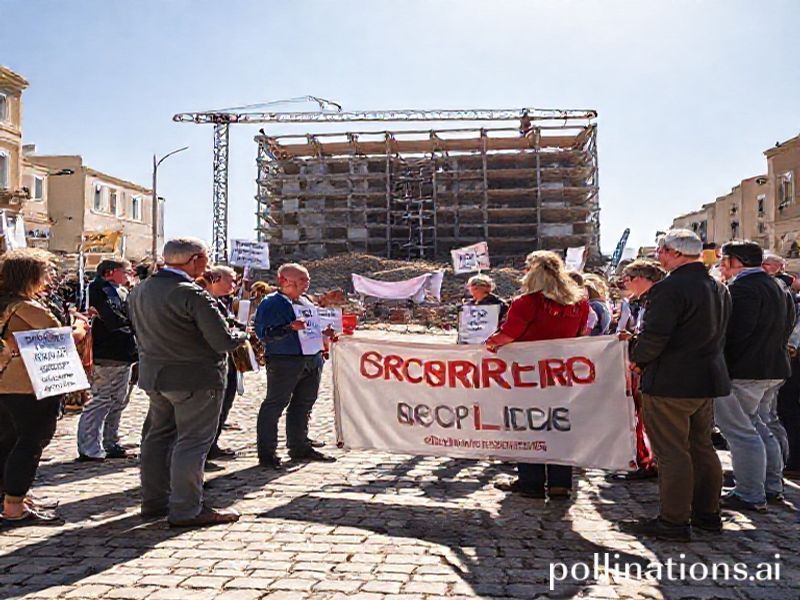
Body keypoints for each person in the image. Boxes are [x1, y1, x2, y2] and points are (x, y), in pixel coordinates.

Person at [128, 238, 247, 528]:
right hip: (195, 377)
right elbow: (221, 341)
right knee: (192, 442)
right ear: (194, 260)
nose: (207, 265)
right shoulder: (192, 294)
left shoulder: (140, 289)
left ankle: (154, 501)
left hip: (155, 375)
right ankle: (186, 508)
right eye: (205, 259)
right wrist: (242, 335)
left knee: (156, 439)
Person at [621, 229, 730, 542]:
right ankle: (708, 514)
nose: (659, 255)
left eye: (662, 250)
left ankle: (674, 520)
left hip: (672, 381)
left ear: (675, 253)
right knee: (701, 447)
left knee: (671, 452)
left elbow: (656, 336)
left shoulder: (670, 288)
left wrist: (637, 359)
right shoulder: (716, 285)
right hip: (705, 377)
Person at [486, 250, 589, 500]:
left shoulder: (527, 303)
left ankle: (531, 482)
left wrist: (489, 344)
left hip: (528, 376)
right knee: (559, 425)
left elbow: (509, 335)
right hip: (561, 375)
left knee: (528, 425)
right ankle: (560, 483)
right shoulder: (579, 304)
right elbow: (581, 336)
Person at [0, 249, 85, 526]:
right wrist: (81, 327)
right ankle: (14, 507)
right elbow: (60, 335)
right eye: (44, 272)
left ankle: (13, 498)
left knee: (9, 442)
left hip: (7, 384)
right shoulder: (25, 306)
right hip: (27, 384)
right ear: (29, 276)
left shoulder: (7, 301)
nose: (48, 278)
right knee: (31, 441)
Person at [713, 241, 794, 512]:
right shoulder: (776, 286)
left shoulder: (744, 288)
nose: (721, 265)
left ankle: (750, 492)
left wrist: (726, 366)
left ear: (736, 260)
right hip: (772, 367)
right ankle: (770, 485)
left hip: (747, 371)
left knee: (741, 431)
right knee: (759, 426)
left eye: (724, 259)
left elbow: (737, 333)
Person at [255, 263, 335, 469]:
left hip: (311, 358)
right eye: (300, 281)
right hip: (285, 359)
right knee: (275, 404)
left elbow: (312, 326)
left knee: (304, 403)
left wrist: (324, 335)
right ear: (283, 281)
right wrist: (289, 328)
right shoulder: (272, 303)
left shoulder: (306, 301)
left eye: (306, 280)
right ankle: (267, 453)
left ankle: (299, 446)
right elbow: (264, 334)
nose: (305, 285)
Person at [608, 260, 665, 481]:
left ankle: (652, 461)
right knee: (639, 416)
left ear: (641, 279)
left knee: (648, 418)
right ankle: (646, 459)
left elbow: (655, 336)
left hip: (648, 368)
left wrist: (637, 355)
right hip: (639, 366)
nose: (625, 283)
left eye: (628, 279)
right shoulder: (638, 302)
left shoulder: (656, 302)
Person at [76, 259, 137, 461]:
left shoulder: (120, 290)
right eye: (126, 271)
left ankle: (110, 441)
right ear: (111, 272)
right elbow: (112, 319)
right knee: (102, 399)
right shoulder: (98, 290)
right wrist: (133, 324)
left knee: (118, 400)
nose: (130, 274)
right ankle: (89, 446)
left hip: (123, 352)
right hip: (107, 353)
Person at [201, 265, 243, 464]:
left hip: (228, 360)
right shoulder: (204, 301)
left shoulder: (222, 302)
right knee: (208, 411)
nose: (234, 285)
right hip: (209, 362)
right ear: (216, 279)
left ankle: (212, 444)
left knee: (223, 406)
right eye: (231, 280)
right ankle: (202, 453)